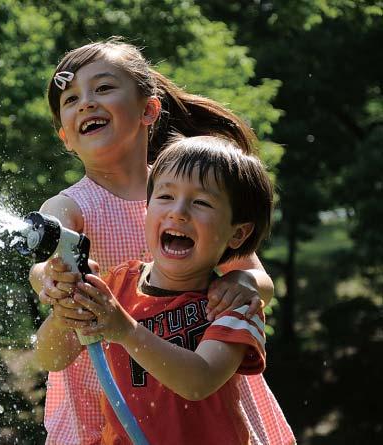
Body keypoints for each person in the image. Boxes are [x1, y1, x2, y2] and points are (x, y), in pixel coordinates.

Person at [30, 38, 294, 444]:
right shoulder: (71, 205)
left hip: (196, 375)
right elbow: (47, 259)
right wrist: (50, 277)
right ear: (65, 135)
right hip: (111, 388)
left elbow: (258, 279)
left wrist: (239, 283)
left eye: (103, 88)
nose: (86, 102)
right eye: (70, 99)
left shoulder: (187, 187)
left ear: (148, 109)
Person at [44, 134, 279, 444]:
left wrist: (125, 330)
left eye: (201, 202)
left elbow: (199, 380)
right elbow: (50, 358)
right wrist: (64, 315)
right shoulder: (118, 285)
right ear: (147, 208)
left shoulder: (234, 305)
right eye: (165, 197)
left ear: (238, 234)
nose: (178, 212)